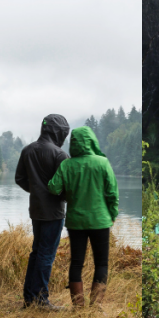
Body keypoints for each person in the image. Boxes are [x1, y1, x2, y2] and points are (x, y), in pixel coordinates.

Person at [47, 126, 119, 308]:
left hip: (75, 221)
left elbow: (54, 188)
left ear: (74, 144)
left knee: (76, 263)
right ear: (92, 141)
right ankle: (95, 307)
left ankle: (78, 307)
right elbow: (112, 193)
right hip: (100, 220)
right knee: (101, 263)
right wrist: (112, 214)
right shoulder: (102, 163)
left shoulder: (67, 165)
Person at [15, 114, 71, 310]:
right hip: (53, 212)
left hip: (36, 209)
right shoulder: (60, 155)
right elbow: (67, 187)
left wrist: (36, 191)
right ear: (58, 132)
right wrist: (62, 197)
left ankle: (29, 298)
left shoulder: (27, 150)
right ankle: (40, 300)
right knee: (46, 255)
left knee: (37, 252)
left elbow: (20, 179)